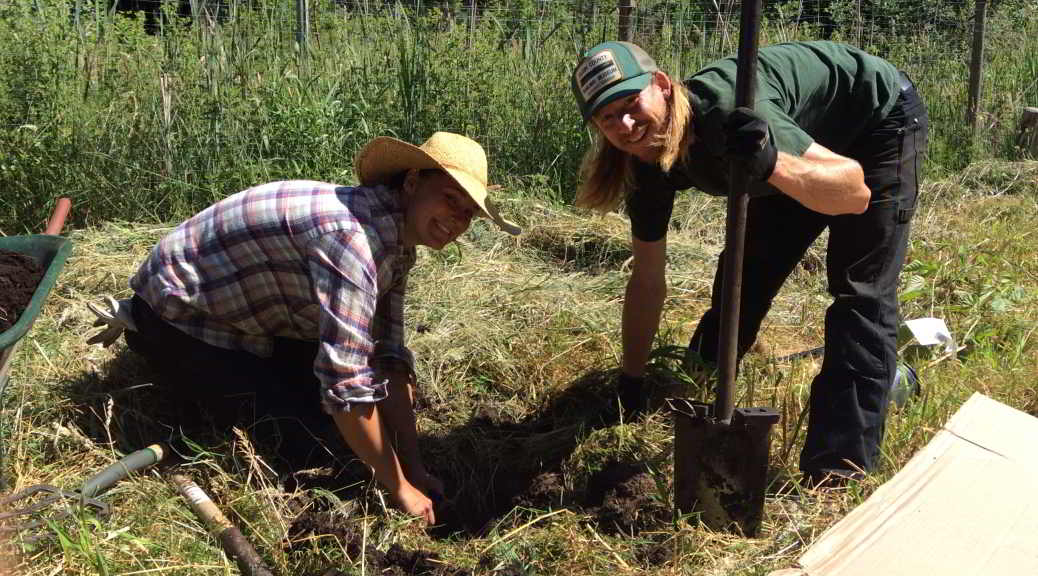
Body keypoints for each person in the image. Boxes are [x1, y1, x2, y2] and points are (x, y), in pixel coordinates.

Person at [87, 132, 520, 523]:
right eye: (449, 198)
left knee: (343, 421)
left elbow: (386, 354)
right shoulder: (353, 240)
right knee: (309, 445)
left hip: (251, 307)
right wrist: (399, 489)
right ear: (410, 183)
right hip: (178, 316)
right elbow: (347, 385)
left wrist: (413, 465)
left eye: (468, 213)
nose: (457, 220)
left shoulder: (397, 241)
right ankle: (174, 370)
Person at [569, 40, 927, 485]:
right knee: (745, 277)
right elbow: (646, 280)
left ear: (661, 86)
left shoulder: (728, 112)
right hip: (790, 146)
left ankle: (839, 470)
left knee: (861, 293)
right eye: (607, 116)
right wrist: (632, 382)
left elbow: (855, 195)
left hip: (873, 122)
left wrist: (772, 164)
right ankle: (695, 392)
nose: (625, 123)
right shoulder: (643, 165)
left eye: (631, 101)